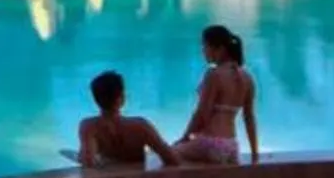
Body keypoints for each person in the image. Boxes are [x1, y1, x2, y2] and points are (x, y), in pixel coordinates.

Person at [176, 24, 259, 164]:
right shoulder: (247, 78)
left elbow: (202, 114)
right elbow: (249, 117)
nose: (203, 51)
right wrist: (254, 153)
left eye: (205, 46)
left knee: (169, 153)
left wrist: (185, 137)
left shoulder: (214, 75)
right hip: (231, 146)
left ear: (220, 49)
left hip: (210, 143)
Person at [78, 70, 175, 170]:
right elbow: (171, 159)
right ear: (122, 98)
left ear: (96, 100)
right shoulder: (140, 126)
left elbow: (88, 162)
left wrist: (83, 154)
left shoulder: (89, 127)